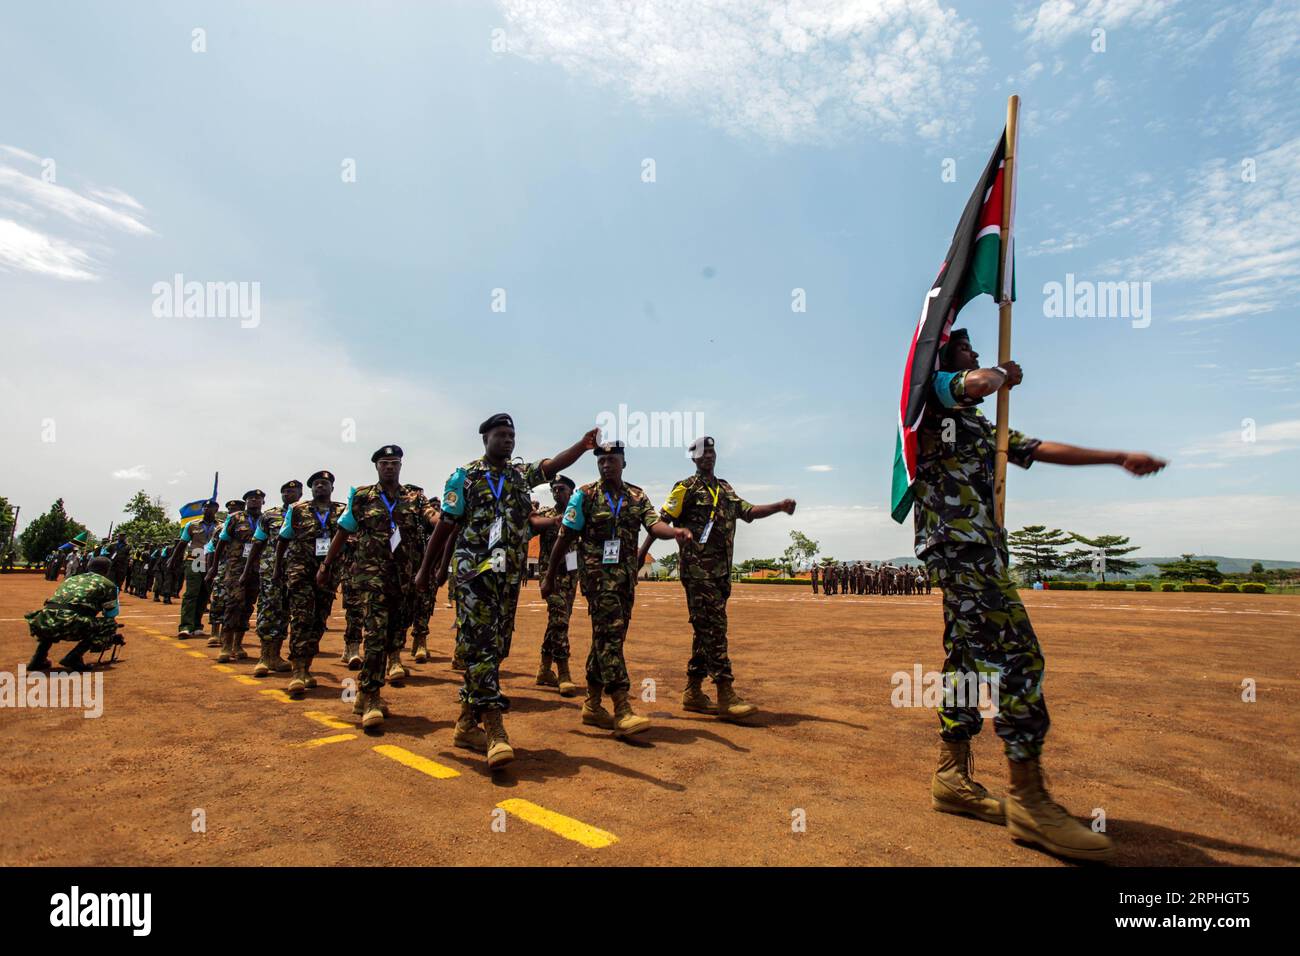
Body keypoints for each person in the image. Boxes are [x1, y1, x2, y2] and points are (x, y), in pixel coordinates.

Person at [915, 328, 1166, 862]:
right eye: (966, 347)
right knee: (1018, 658)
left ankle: (950, 778)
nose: (976, 354)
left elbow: (1037, 448)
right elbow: (979, 380)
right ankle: (1028, 799)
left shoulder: (978, 423)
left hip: (979, 547)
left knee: (965, 662)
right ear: (944, 356)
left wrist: (1117, 456)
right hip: (961, 549)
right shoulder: (931, 396)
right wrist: (1004, 374)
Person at [417, 416, 598, 768]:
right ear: (485, 438)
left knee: (496, 648)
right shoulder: (465, 477)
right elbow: (446, 527)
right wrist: (429, 569)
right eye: (501, 435)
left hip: (507, 577)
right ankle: (495, 729)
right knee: (481, 647)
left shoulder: (518, 476)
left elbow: (551, 466)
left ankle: (467, 724)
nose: (508, 440)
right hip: (475, 575)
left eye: (512, 435)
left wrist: (582, 445)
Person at [542, 440, 691, 740]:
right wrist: (549, 575)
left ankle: (593, 704)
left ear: (624, 463)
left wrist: (674, 531)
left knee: (608, 639)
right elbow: (565, 536)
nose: (606, 465)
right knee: (610, 638)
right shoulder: (584, 496)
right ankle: (621, 706)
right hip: (598, 581)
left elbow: (654, 525)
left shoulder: (637, 496)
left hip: (625, 580)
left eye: (612, 460)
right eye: (602, 461)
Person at [643, 435, 796, 718]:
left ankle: (692, 691)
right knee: (714, 629)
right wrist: (642, 554)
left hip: (721, 574)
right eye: (702, 453)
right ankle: (725, 693)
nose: (708, 456)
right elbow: (659, 522)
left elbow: (748, 511)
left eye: (711, 452)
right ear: (693, 458)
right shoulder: (684, 488)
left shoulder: (725, 488)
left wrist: (778, 506)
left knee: (705, 630)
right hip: (698, 572)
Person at [317, 446, 439, 730]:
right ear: (376, 467)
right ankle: (371, 696)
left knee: (393, 635)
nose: (389, 467)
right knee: (374, 636)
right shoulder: (362, 497)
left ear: (400, 466)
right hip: (371, 580)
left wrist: (445, 518)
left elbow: (431, 517)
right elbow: (344, 530)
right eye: (384, 463)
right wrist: (326, 565)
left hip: (403, 580)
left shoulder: (414, 497)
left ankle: (363, 694)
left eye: (394, 463)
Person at [273, 471, 345, 697]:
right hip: (300, 571)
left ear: (332, 488)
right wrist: (277, 569)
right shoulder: (297, 510)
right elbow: (283, 540)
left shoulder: (342, 511)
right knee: (301, 617)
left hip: (328, 572)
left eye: (324, 483)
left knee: (319, 619)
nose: (320, 487)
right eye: (316, 484)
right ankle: (298, 669)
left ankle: (308, 664)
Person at [243, 481, 302, 677]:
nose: (288, 494)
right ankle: (264, 657)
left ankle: (276, 656)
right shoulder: (269, 515)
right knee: (269, 610)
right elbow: (258, 542)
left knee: (286, 612)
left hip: (297, 570)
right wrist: (247, 569)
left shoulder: (307, 513)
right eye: (284, 491)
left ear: (300, 493)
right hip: (270, 570)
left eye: (292, 491)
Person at [25, 556, 123, 671]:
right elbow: (110, 614)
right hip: (70, 623)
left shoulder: (71, 579)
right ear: (107, 570)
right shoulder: (108, 585)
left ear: (88, 567)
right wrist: (110, 636)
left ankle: (38, 658)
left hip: (43, 622)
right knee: (110, 624)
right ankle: (74, 657)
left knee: (57, 615)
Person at [533, 475, 581, 696]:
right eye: (554, 489)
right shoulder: (547, 515)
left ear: (572, 492)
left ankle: (544, 669)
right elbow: (531, 525)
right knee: (560, 619)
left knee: (558, 621)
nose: (557, 493)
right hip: (550, 576)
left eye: (561, 489)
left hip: (571, 576)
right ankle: (563, 672)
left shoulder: (580, 514)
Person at [206, 490, 265, 663]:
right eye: (250, 498)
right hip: (235, 568)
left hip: (258, 568)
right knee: (233, 604)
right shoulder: (235, 519)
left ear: (263, 501)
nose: (254, 500)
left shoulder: (266, 519)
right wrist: (214, 567)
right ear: (246, 501)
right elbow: (222, 542)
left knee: (248, 605)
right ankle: (226, 646)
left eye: (257, 498)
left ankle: (238, 645)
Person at [169, 499, 220, 638]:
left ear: (217, 509)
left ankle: (197, 625)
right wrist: (173, 559)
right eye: (205, 507)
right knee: (191, 593)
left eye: (211, 507)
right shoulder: (192, 525)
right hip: (194, 561)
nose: (208, 509)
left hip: (211, 563)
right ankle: (186, 626)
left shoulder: (220, 526)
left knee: (205, 594)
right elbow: (183, 542)